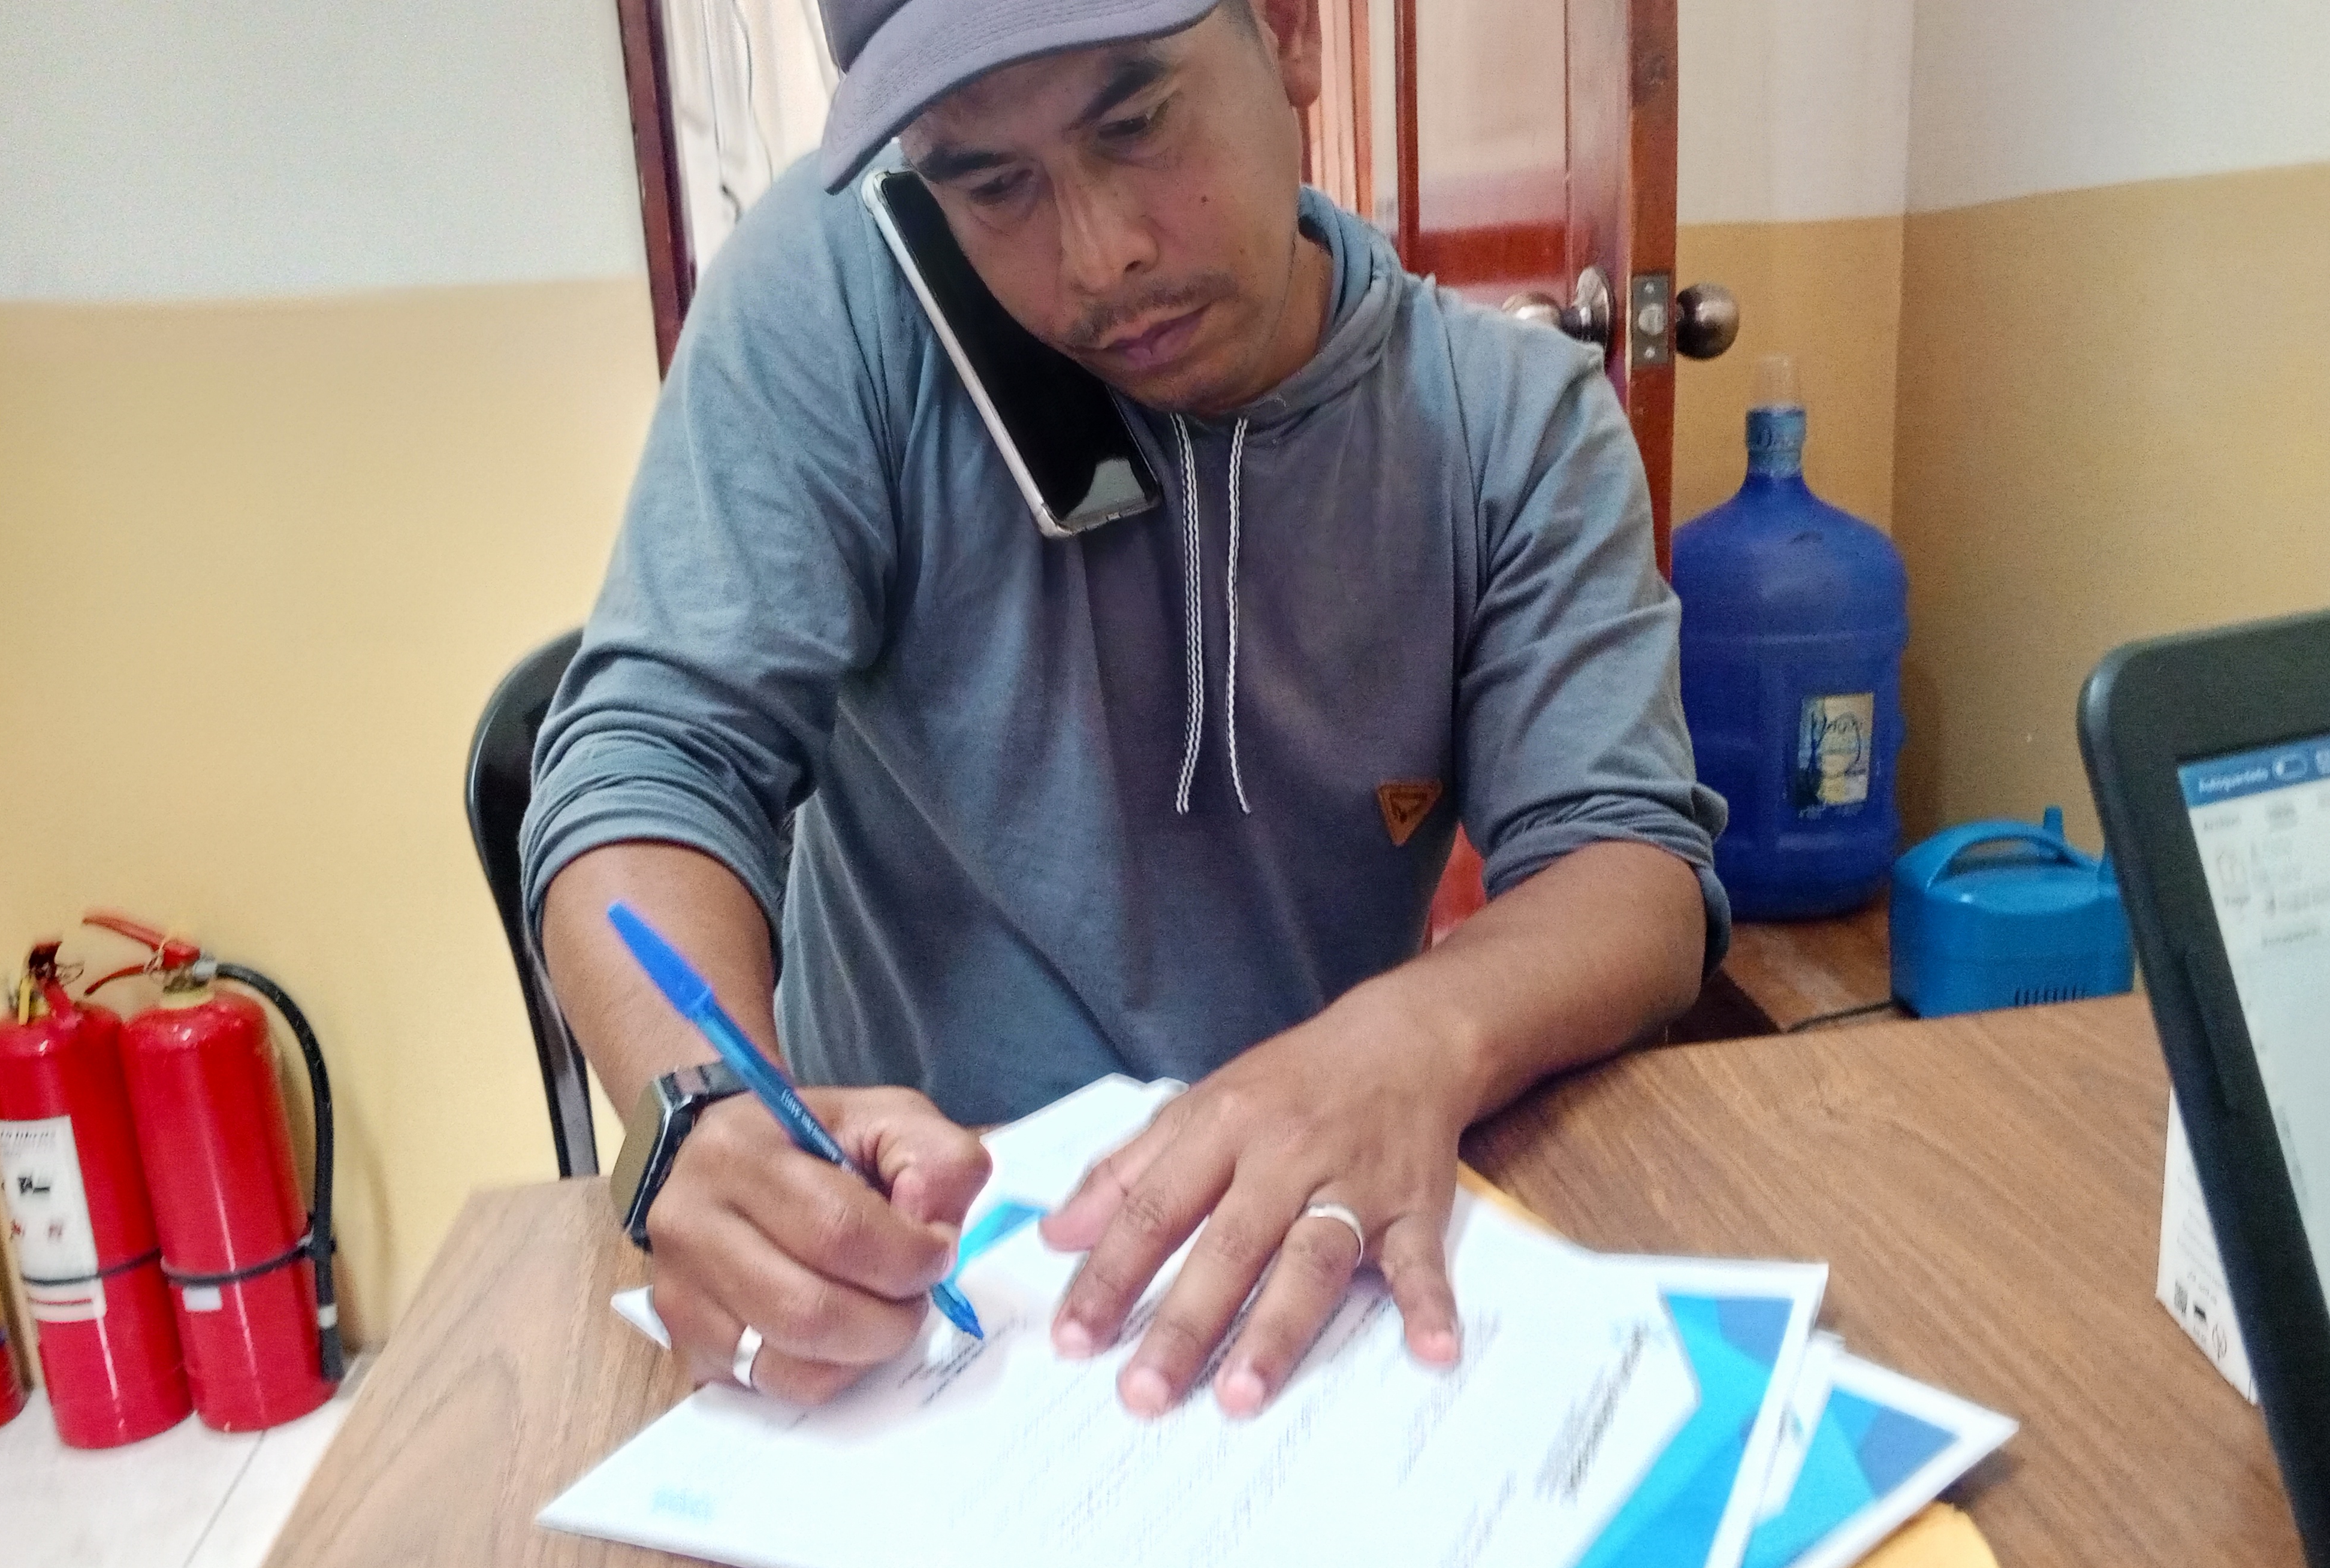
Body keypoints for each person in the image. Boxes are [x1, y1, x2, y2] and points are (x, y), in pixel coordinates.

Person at [523, 0, 1729, 1424]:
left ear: (1288, 33)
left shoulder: (1508, 421)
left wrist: (1418, 1037)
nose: (1101, 261)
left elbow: (1629, 869)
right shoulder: (845, 287)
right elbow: (649, 757)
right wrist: (700, 1113)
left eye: (1138, 121)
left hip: (1312, 1250)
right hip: (919, 1304)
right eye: (991, 183)